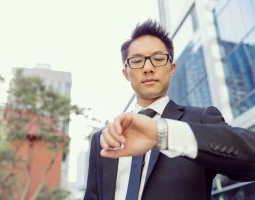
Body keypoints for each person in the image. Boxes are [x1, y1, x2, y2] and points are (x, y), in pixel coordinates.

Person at [84, 19, 255, 200]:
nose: (148, 68)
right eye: (137, 61)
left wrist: (163, 134)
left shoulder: (200, 119)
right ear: (126, 73)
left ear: (172, 68)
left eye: (158, 59)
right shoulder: (102, 139)